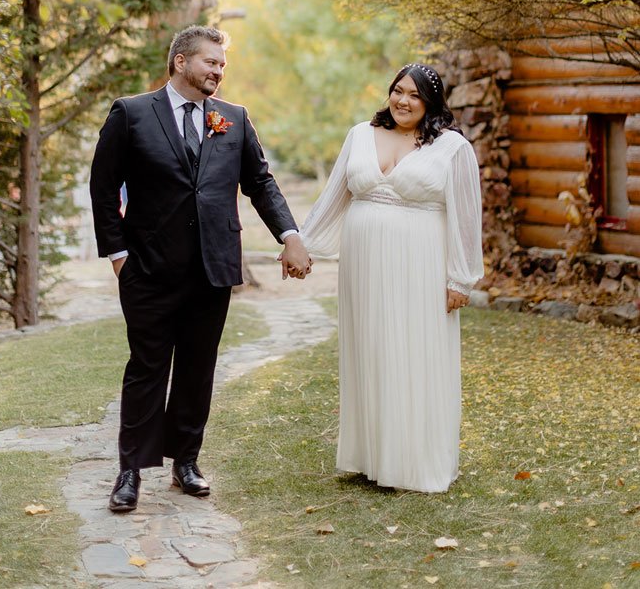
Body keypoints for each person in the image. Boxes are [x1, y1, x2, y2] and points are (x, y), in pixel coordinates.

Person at [90, 25, 312, 513]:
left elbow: (261, 183)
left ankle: (186, 462)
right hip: (147, 269)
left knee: (197, 368)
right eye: (210, 61)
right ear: (180, 62)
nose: (218, 70)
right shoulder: (131, 113)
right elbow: (103, 189)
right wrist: (119, 256)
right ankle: (130, 471)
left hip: (213, 268)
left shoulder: (233, 118)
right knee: (147, 367)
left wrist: (290, 235)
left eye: (222, 63)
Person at [300, 62, 483, 493]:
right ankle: (371, 457)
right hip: (363, 264)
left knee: (414, 351)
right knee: (371, 350)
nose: (403, 101)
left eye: (415, 95)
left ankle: (414, 462)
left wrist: (460, 279)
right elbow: (333, 197)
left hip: (421, 262)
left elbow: (466, 218)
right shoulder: (360, 134)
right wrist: (302, 245)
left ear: (431, 102)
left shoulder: (452, 148)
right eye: (398, 90)